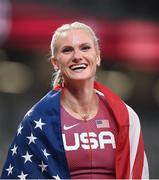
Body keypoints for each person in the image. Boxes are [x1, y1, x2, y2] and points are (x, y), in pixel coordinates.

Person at [1, 22, 149, 179]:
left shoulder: (125, 117)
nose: (77, 56)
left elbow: (139, 174)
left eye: (85, 48)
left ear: (98, 57)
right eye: (67, 50)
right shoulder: (36, 120)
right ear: (55, 63)